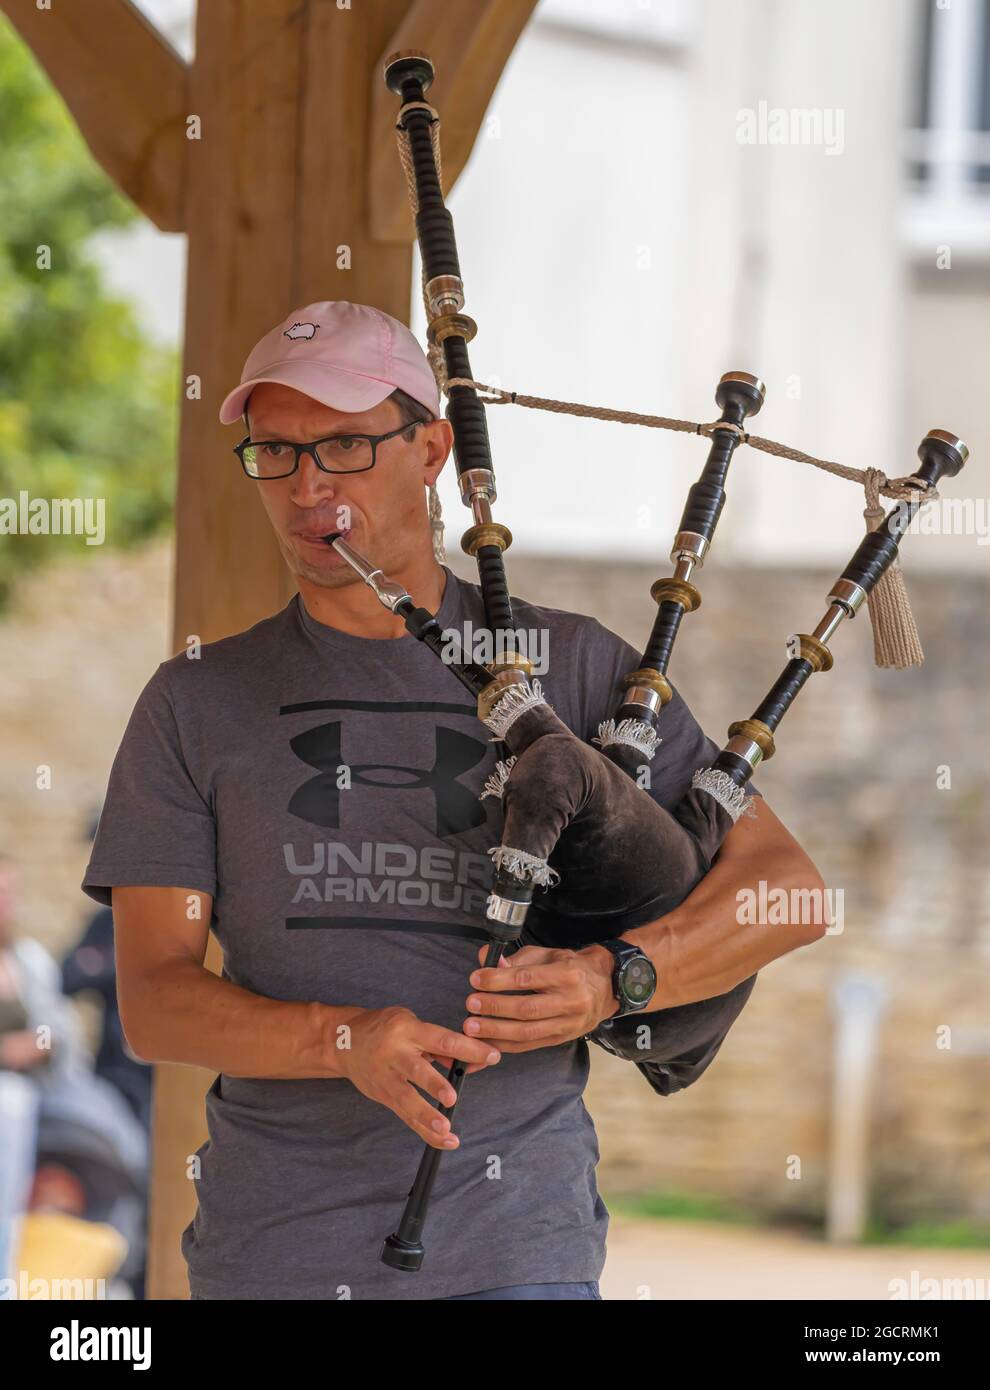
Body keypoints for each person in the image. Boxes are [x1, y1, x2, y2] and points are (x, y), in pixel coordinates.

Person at [82, 300, 827, 1301]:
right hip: (273, 1258)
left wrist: (617, 978)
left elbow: (786, 891)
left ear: (431, 446)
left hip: (516, 1256)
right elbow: (156, 1002)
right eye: (275, 451)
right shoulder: (197, 700)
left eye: (344, 444)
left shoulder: (575, 668)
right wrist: (342, 1039)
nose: (308, 486)